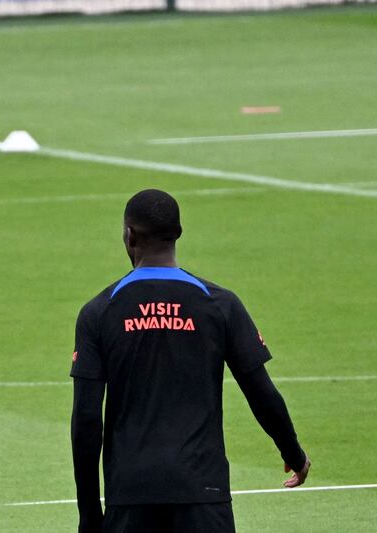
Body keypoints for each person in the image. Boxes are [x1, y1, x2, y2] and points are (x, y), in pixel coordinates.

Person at [70, 189, 310, 533]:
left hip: (130, 493)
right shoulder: (219, 304)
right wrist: (293, 453)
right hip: (203, 489)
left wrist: (90, 515)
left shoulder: (100, 311)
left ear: (129, 234)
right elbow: (261, 392)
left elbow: (87, 420)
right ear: (178, 232)